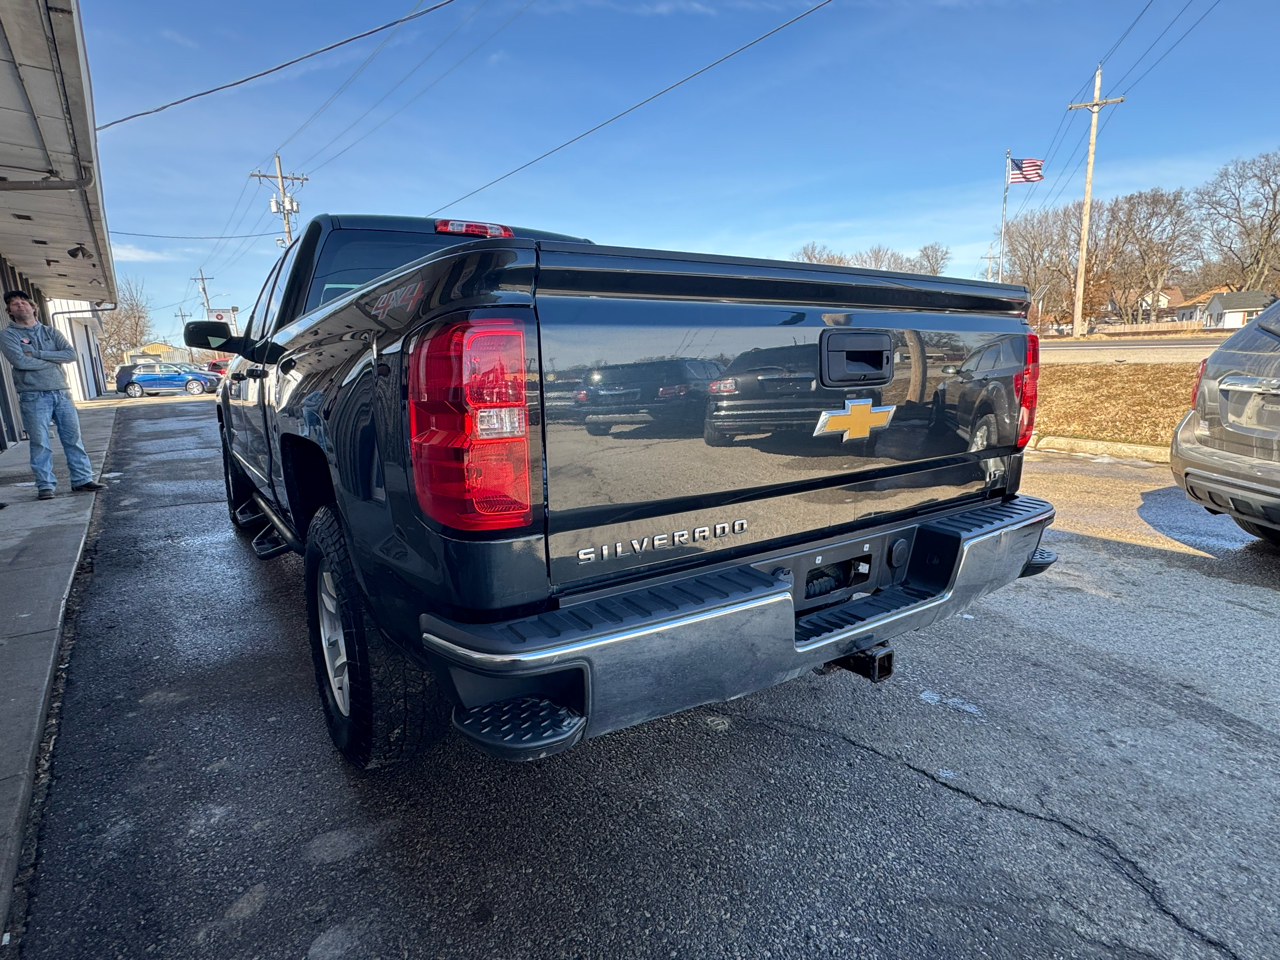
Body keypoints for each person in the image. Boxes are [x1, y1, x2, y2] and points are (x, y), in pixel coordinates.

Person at [0, 290, 105, 500]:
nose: (20, 306)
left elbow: (70, 355)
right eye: (14, 304)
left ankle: (82, 480)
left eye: (24, 302)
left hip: (62, 392)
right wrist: (53, 359)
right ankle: (45, 486)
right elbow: (20, 362)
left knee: (73, 439)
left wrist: (37, 354)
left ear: (33, 308)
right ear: (9, 311)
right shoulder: (8, 335)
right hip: (33, 395)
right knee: (40, 442)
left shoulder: (51, 332)